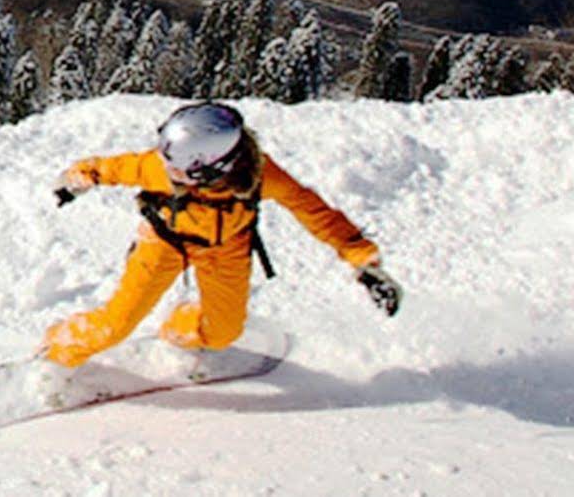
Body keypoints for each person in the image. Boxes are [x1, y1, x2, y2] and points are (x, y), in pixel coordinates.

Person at [42, 101, 401, 369]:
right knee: (116, 325)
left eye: (178, 169)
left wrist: (364, 262)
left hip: (226, 248)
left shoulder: (263, 177)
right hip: (164, 241)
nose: (166, 171)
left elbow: (314, 212)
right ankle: (56, 353)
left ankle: (179, 329)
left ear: (212, 169)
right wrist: (77, 180)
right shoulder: (160, 167)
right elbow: (111, 168)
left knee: (223, 333)